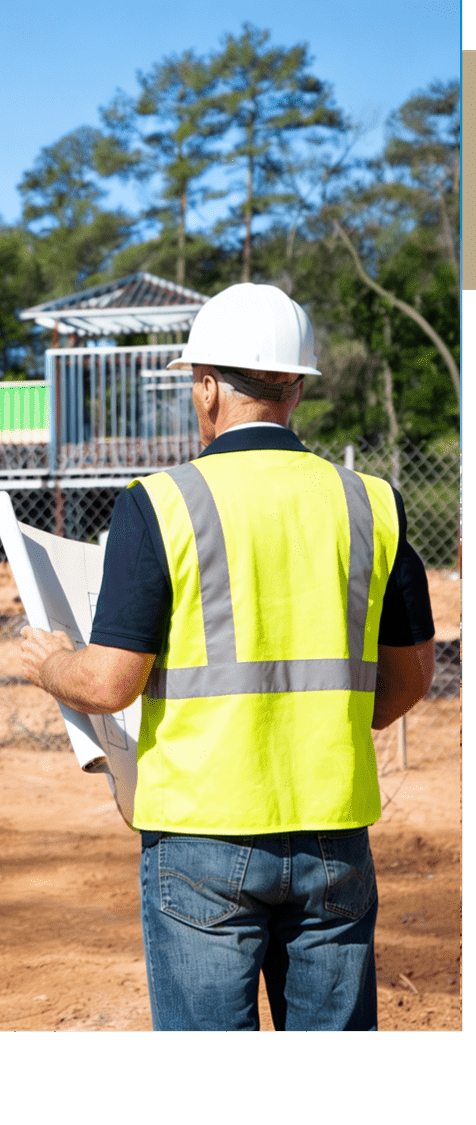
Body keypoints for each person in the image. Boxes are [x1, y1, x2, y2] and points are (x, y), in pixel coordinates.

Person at [20, 282, 436, 1031]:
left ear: (206, 386)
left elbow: (111, 680)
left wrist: (50, 662)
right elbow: (412, 675)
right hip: (334, 833)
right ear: (297, 385)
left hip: (201, 837)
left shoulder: (161, 501)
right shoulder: (370, 500)